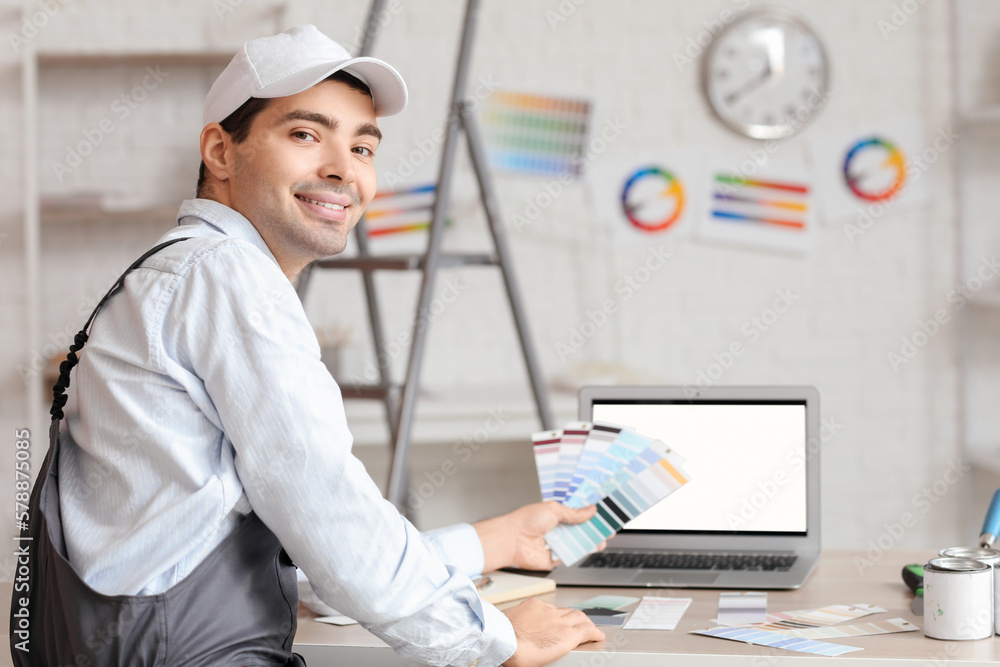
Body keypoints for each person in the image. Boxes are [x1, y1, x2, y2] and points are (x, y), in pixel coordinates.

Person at [12, 24, 604, 667]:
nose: (342, 169)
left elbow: (307, 546)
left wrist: (496, 540)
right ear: (220, 151)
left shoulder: (173, 270)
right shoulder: (228, 278)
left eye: (363, 147)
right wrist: (498, 640)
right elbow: (329, 515)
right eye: (305, 134)